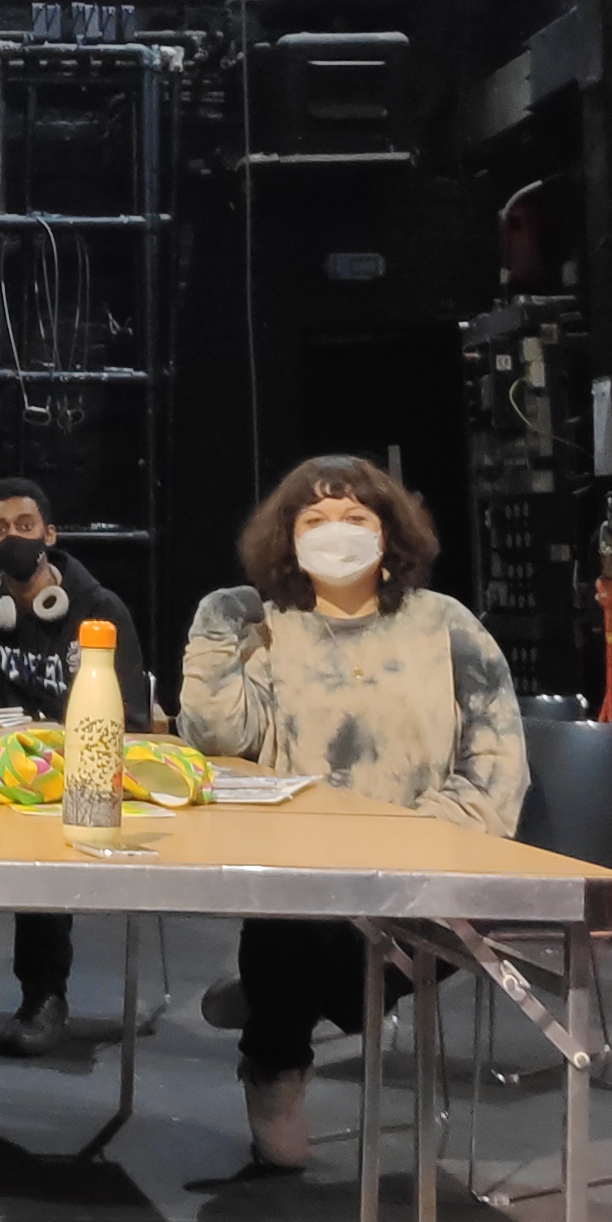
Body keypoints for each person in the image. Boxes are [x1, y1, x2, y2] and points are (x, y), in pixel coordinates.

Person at [181, 455, 527, 1170]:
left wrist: (408, 836)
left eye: (355, 518)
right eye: (315, 521)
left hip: (429, 868)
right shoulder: (271, 632)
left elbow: (497, 766)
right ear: (289, 538)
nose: (336, 532)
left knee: (311, 948)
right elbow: (220, 740)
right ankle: (276, 1064)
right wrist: (216, 630)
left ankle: (273, 1014)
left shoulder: (448, 626)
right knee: (294, 918)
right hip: (302, 876)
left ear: (388, 531)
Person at [0, 476, 143, 1056]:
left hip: (81, 769)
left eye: (25, 527)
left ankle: (44, 997)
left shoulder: (100, 610)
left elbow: (131, 717)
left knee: (40, 839)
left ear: (50, 534)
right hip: (8, 761)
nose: (13, 538)